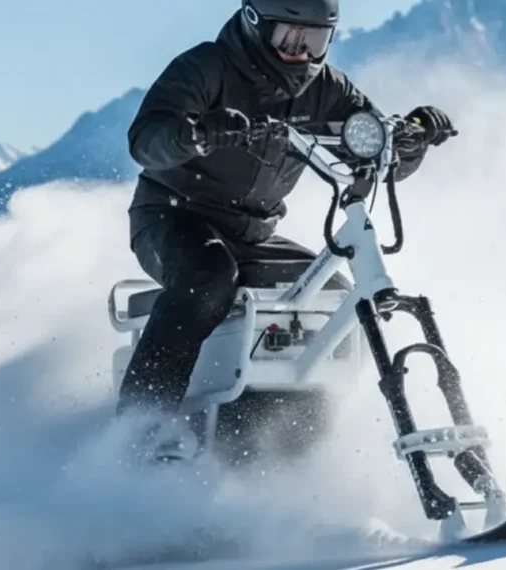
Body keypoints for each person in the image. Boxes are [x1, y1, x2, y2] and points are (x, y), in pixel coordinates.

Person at [117, 0, 455, 462]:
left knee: (327, 298)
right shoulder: (207, 67)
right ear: (256, 25)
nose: (300, 52)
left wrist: (411, 139)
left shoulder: (327, 88)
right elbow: (146, 138)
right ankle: (141, 429)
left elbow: (372, 144)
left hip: (251, 234)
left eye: (313, 40)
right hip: (172, 217)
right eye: (288, 38)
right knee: (208, 278)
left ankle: (274, 441)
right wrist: (198, 133)